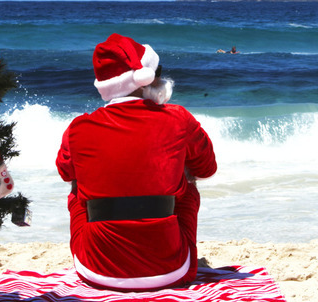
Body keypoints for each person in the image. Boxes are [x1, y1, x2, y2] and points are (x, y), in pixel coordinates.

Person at [56, 33, 218, 291]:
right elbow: (207, 169)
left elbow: (66, 174)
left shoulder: (78, 128)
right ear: (145, 80)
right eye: (158, 72)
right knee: (188, 187)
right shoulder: (178, 118)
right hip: (170, 271)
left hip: (96, 271)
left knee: (77, 189)